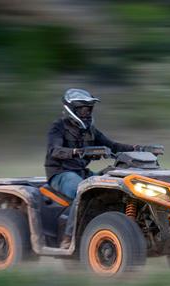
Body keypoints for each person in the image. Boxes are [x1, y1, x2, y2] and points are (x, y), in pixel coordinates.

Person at [44, 88, 140, 249]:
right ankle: (68, 237)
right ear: (71, 110)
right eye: (82, 109)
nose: (86, 113)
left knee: (115, 184)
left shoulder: (90, 131)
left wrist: (137, 148)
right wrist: (76, 151)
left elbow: (113, 146)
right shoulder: (58, 127)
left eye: (88, 109)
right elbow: (54, 150)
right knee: (83, 191)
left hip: (82, 173)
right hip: (61, 174)